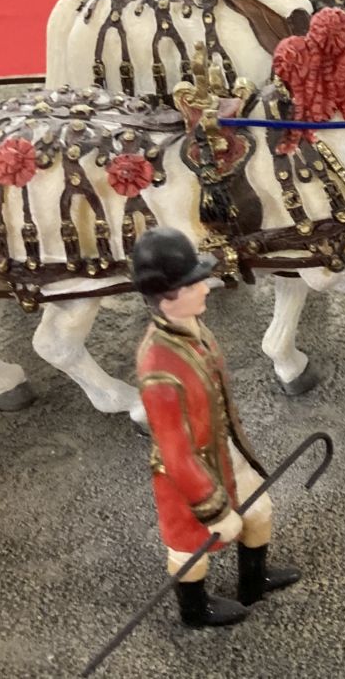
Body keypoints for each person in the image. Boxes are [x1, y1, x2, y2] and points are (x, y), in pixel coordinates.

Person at [132, 227, 301, 626]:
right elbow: (175, 450)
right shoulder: (158, 367)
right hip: (187, 475)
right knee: (189, 548)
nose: (207, 287)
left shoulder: (195, 331)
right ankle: (194, 609)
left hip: (224, 450)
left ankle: (253, 581)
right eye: (195, 283)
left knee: (258, 510)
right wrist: (210, 508)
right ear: (168, 296)